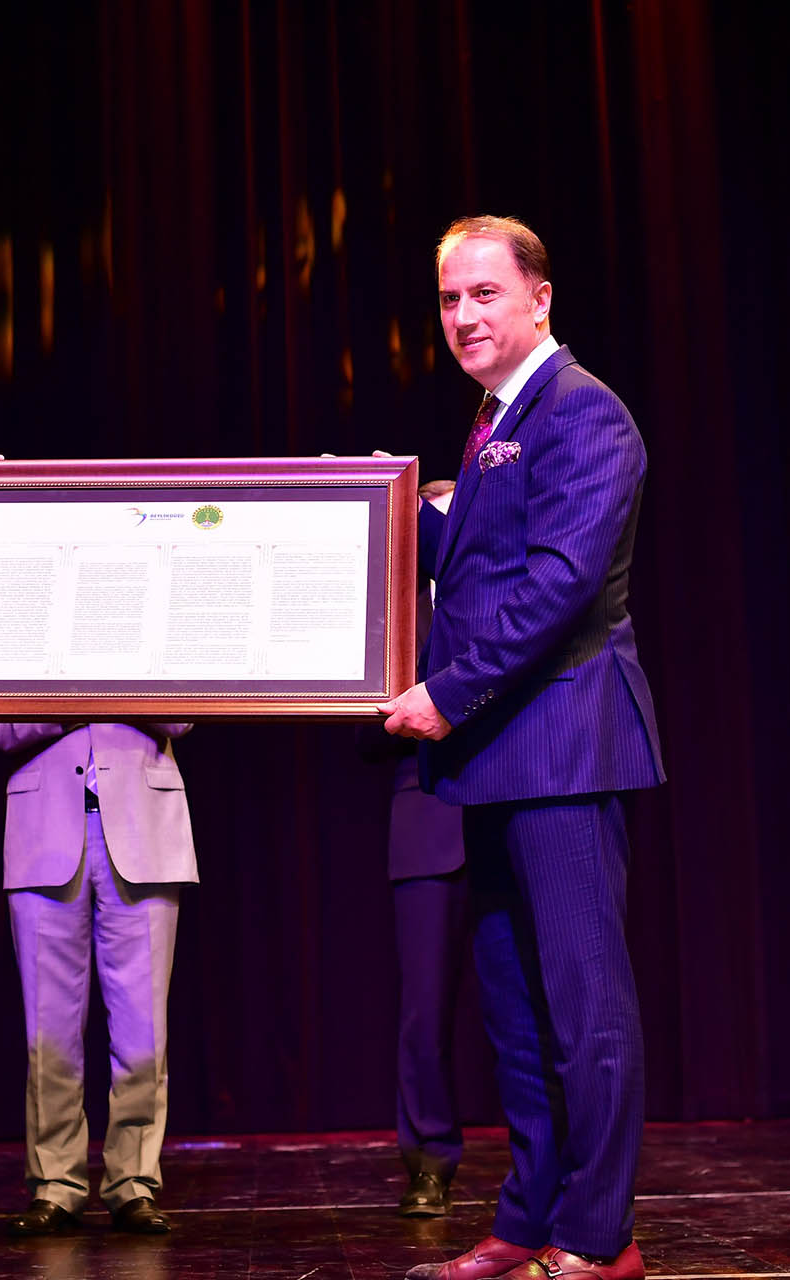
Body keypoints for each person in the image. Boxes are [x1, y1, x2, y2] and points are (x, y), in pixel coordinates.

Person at [380, 216, 663, 1280]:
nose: (462, 316)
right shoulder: (494, 418)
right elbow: (480, 561)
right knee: (516, 1010)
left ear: (540, 299)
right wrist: (363, 507)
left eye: (484, 293)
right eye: (449, 298)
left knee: (585, 1007)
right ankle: (527, 1216)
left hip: (565, 747)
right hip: (500, 757)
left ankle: (598, 1236)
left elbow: (558, 585)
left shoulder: (582, 410)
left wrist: (448, 696)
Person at [0, 722, 196, 1236]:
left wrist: (110, 681)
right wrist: (73, 695)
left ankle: (134, 1181)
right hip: (43, 830)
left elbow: (181, 716)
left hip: (145, 830)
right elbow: (0, 730)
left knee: (143, 1032)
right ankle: (54, 1184)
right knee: (48, 1032)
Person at [359, 480, 470, 1218]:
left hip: (511, 804)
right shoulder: (392, 606)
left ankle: (551, 1161)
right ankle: (429, 1160)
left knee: (531, 1001)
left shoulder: (504, 583)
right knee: (424, 1008)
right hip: (425, 813)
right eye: (427, 511)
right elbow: (364, 727)